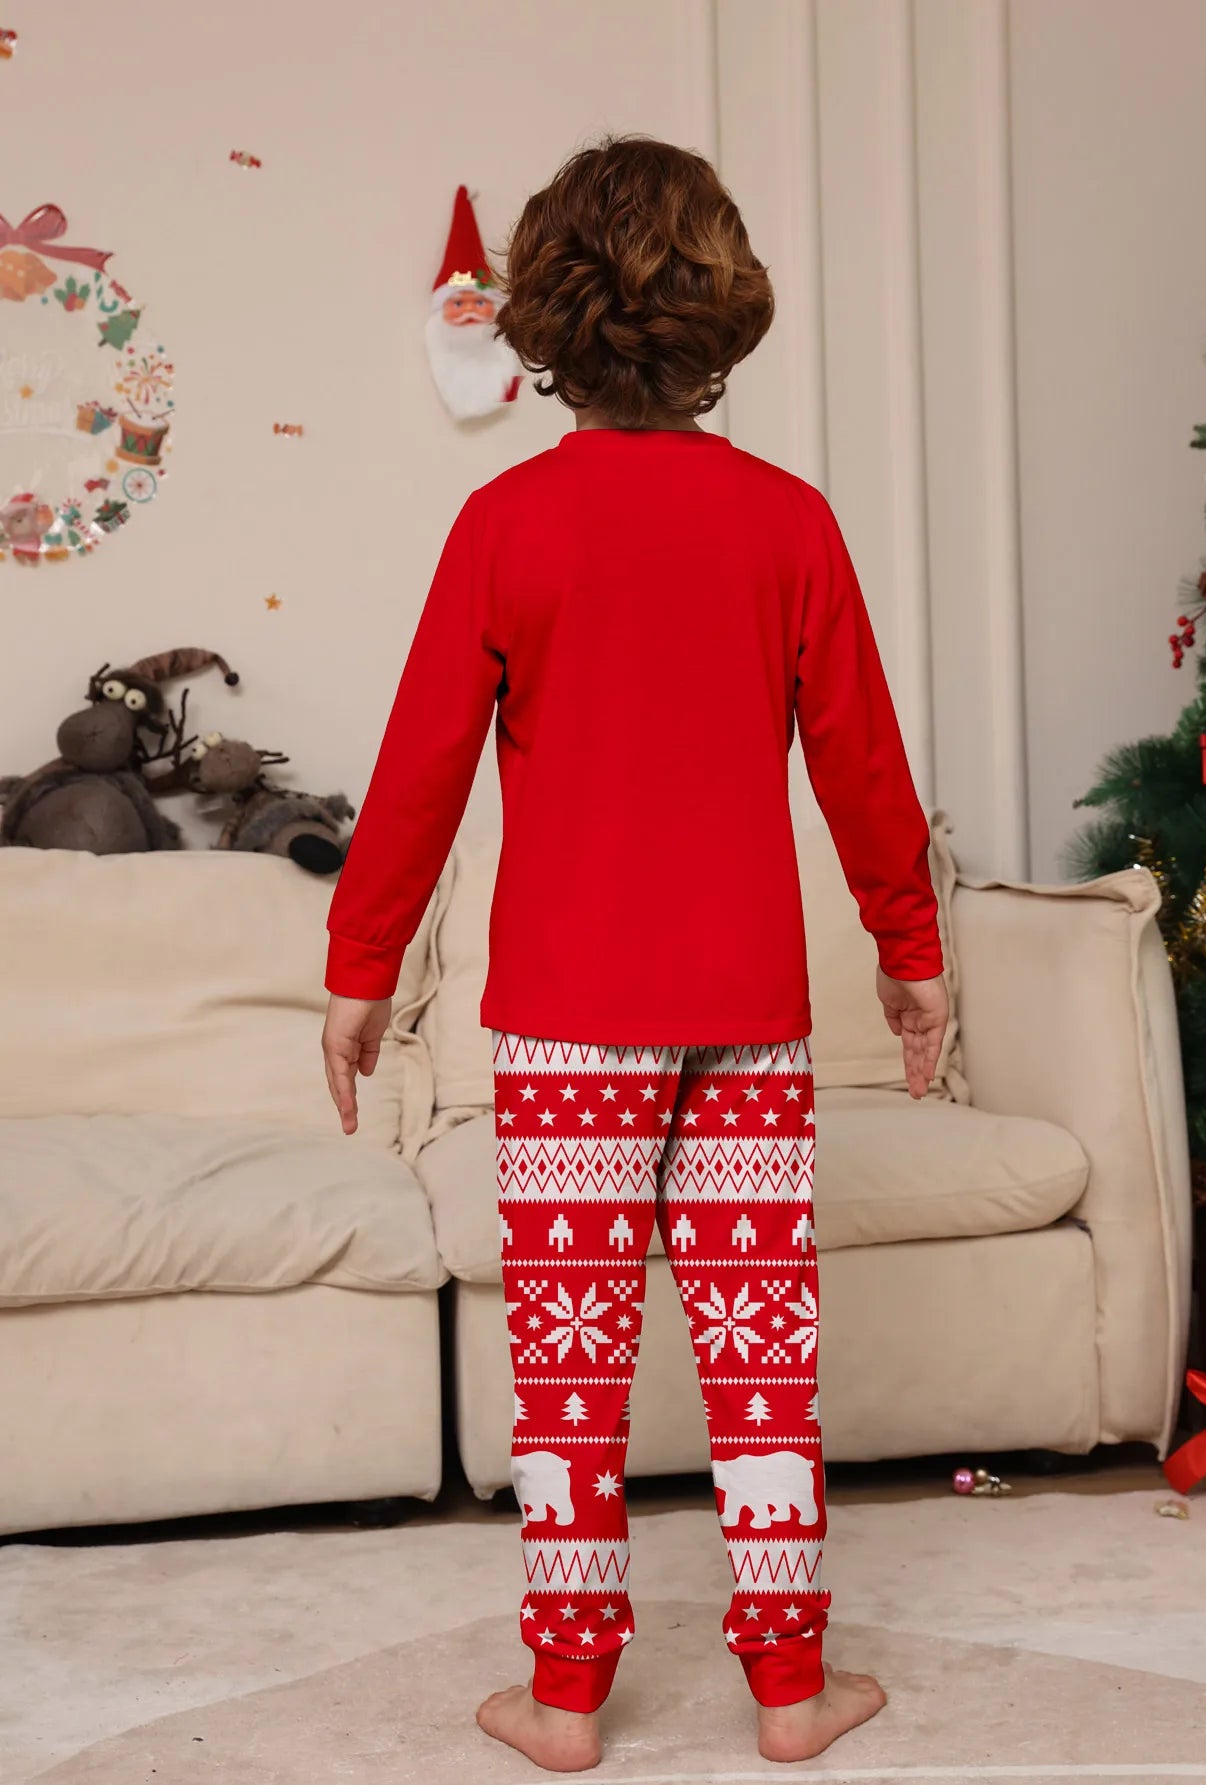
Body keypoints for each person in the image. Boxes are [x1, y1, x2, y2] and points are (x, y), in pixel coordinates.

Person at [321, 133, 949, 1775]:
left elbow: (417, 770)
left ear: (548, 316)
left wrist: (360, 968)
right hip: (745, 1010)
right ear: (719, 306)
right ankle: (792, 1694)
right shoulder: (787, 524)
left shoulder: (505, 524)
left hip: (567, 1025)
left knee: (569, 1371)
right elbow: (864, 767)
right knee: (761, 1360)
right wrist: (913, 952)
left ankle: (571, 1700)